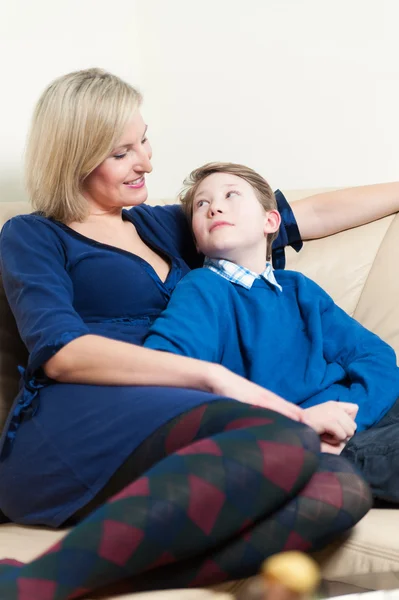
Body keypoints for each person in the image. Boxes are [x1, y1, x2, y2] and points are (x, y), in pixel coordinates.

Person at [0, 66, 395, 599]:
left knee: (342, 489)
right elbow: (63, 353)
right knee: (286, 435)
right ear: (76, 155)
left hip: (175, 414)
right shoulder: (33, 234)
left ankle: (40, 585)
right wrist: (212, 377)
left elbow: (305, 213)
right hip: (79, 421)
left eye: (143, 141)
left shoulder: (163, 225)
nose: (146, 162)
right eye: (121, 153)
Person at [144, 161, 399, 502]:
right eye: (201, 204)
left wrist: (352, 413)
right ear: (197, 241)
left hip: (362, 413)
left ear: (270, 221)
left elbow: (374, 355)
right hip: (305, 440)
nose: (215, 206)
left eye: (231, 195)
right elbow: (165, 368)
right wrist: (306, 433)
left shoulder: (299, 289)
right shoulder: (203, 288)